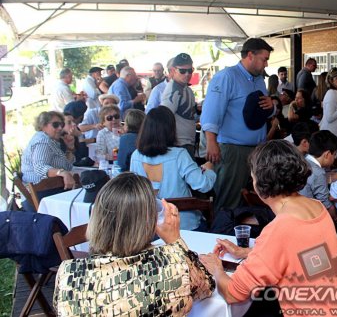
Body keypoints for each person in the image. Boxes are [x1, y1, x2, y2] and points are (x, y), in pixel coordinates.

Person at [199, 140, 337, 315]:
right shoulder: (317, 207)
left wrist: (216, 268)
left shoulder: (280, 229)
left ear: (260, 183)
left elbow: (233, 293)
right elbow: (299, 253)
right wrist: (247, 252)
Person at [54, 172, 215, 316]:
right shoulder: (171, 267)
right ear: (148, 221)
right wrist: (175, 241)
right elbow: (205, 287)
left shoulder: (67, 274)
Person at [201, 38, 275, 211]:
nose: (266, 64)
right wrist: (211, 141)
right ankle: (222, 227)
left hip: (256, 150)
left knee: (250, 202)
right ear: (250, 55)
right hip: (233, 150)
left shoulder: (259, 80)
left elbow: (263, 110)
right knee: (229, 201)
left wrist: (272, 107)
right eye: (264, 59)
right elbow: (212, 110)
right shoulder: (227, 77)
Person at [131, 106, 216, 230]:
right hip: (183, 225)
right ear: (171, 129)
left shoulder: (136, 156)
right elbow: (203, 185)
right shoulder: (179, 155)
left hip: (150, 226)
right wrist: (209, 169)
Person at [21, 111, 75, 190]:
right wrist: (62, 173)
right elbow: (40, 167)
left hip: (51, 185)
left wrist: (70, 148)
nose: (60, 128)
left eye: (62, 124)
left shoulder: (51, 140)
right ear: (43, 126)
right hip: (42, 189)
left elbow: (67, 166)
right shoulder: (43, 141)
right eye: (55, 125)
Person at [300, 130, 337, 221]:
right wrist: (336, 219)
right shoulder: (318, 172)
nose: (335, 158)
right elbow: (326, 205)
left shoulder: (303, 159)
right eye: (335, 154)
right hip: (308, 215)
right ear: (327, 154)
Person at [161, 53, 198, 158]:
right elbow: (164, 118)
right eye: (182, 71)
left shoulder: (186, 89)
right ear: (173, 70)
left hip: (186, 143)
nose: (187, 74)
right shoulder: (173, 90)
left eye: (190, 70)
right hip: (178, 145)